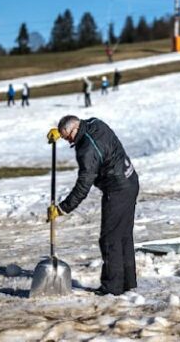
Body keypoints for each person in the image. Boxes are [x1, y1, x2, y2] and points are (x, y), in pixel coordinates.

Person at [46, 115, 139, 296]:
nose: (68, 141)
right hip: (130, 180)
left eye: (67, 137)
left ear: (74, 130)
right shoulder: (94, 123)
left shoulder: (87, 151)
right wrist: (61, 130)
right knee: (123, 236)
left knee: (110, 239)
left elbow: (83, 186)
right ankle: (127, 282)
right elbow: (77, 125)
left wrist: (62, 208)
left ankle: (112, 288)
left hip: (118, 189)